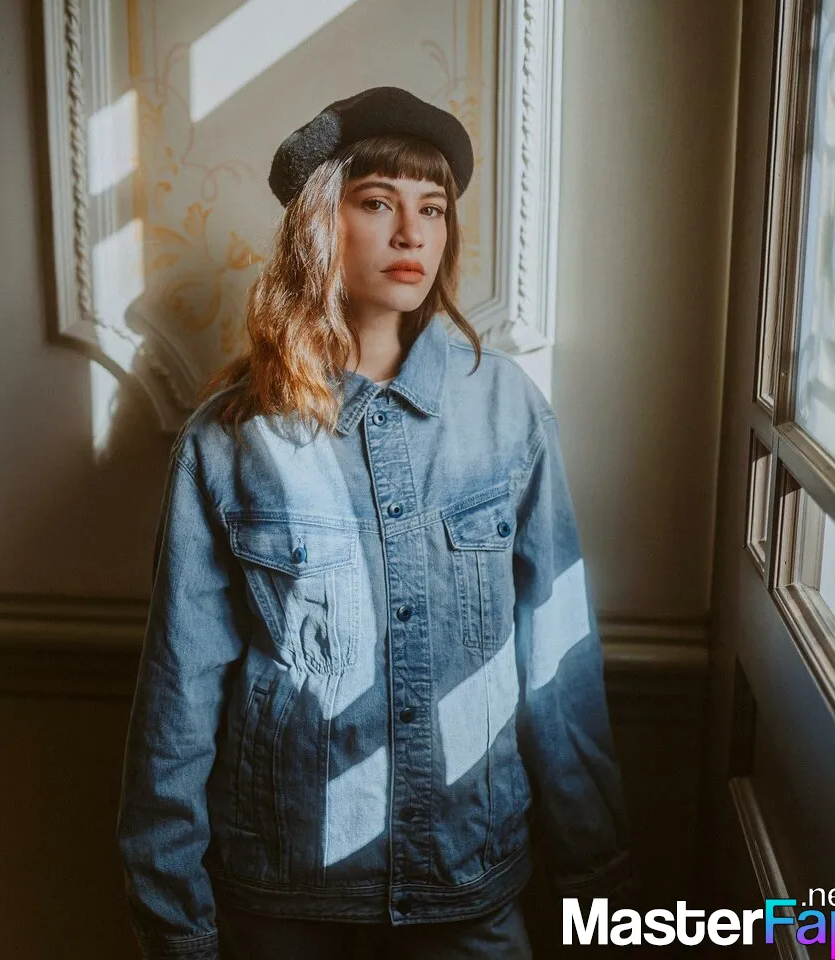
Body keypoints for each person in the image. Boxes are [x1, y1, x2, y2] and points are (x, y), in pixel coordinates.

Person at [117, 86, 633, 960]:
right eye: (378, 203)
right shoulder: (231, 438)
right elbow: (179, 693)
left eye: (432, 209)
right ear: (322, 224)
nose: (411, 234)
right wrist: (176, 926)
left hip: (468, 879)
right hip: (284, 890)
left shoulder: (507, 411)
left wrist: (598, 881)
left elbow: (557, 659)